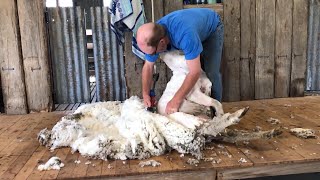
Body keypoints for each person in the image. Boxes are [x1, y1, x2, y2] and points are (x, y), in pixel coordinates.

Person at [136, 8, 224, 115]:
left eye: (153, 53)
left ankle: (218, 113)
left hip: (211, 28)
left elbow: (194, 72)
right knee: (188, 68)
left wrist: (175, 101)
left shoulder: (185, 35)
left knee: (211, 72)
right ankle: (202, 107)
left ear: (162, 42)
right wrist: (145, 93)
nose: (151, 56)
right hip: (192, 29)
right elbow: (148, 66)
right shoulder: (154, 34)